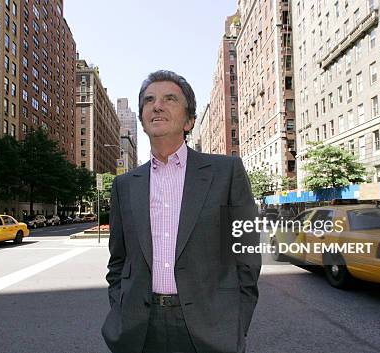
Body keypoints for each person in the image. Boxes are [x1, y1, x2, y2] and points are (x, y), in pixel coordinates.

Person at [102, 70, 261, 353]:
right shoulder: (124, 185)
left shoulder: (226, 173)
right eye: (149, 100)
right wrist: (120, 307)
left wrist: (235, 322)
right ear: (142, 119)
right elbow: (118, 261)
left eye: (169, 99)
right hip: (139, 328)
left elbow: (245, 256)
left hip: (208, 329)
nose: (157, 105)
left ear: (189, 121)